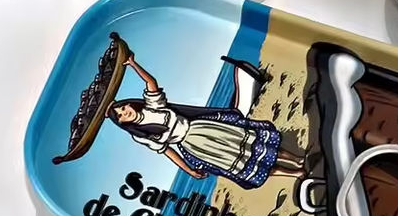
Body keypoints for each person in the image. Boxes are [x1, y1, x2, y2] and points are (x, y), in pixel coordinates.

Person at [108, 54, 304, 186]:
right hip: (195, 147)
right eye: (121, 116)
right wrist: (189, 171)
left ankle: (296, 159)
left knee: (253, 144)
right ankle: (294, 174)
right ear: (122, 123)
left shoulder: (152, 106)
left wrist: (133, 64)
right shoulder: (141, 135)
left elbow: (150, 82)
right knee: (245, 165)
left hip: (203, 128)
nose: (126, 113)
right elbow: (167, 151)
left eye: (123, 108)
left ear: (129, 104)